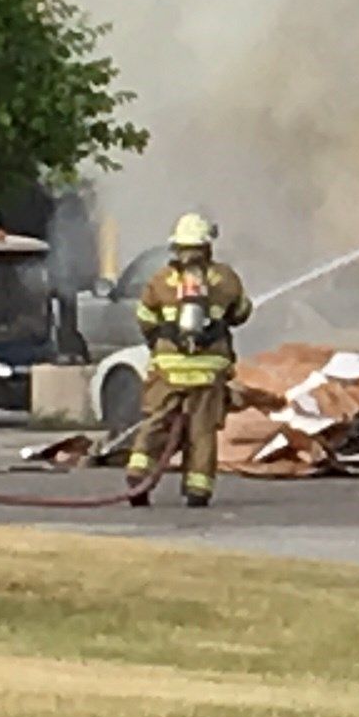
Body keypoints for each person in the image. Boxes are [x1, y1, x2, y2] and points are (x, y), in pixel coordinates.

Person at [127, 214, 252, 507]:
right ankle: (198, 490)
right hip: (209, 371)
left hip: (169, 367)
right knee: (202, 431)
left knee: (156, 422)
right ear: (208, 246)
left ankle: (138, 474)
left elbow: (144, 318)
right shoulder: (226, 278)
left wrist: (161, 342)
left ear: (176, 247)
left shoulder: (161, 280)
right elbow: (241, 313)